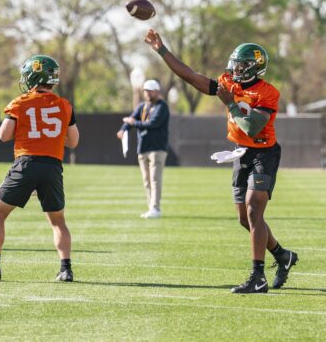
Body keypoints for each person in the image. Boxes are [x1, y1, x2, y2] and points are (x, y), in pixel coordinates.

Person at [144, 28, 298, 294]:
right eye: (235, 64)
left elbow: (251, 127)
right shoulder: (228, 83)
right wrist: (162, 50)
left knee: (254, 210)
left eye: (242, 65)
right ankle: (283, 255)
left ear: (255, 68)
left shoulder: (267, 93)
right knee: (245, 219)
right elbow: (190, 76)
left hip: (264, 153)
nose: (236, 69)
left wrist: (231, 104)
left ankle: (258, 276)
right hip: (241, 152)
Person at [0, 55, 79, 282]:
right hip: (52, 167)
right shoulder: (65, 105)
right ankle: (66, 270)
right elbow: (73, 141)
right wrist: (50, 136)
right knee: (58, 221)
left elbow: (4, 135)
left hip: (26, 164)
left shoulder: (20, 103)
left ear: (34, 77)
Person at [117, 79, 170, 219]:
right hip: (143, 148)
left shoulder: (162, 106)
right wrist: (123, 129)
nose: (148, 94)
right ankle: (151, 207)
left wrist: (134, 123)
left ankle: (155, 208)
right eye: (146, 91)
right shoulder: (142, 106)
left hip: (157, 148)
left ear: (157, 92)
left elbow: (153, 123)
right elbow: (130, 119)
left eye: (150, 91)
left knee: (155, 179)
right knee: (146, 180)